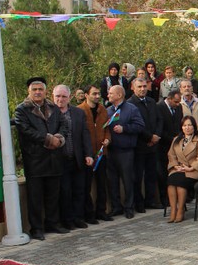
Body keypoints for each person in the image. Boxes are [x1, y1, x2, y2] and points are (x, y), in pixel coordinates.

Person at [15, 77, 69, 240]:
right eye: (34, 90)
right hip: (35, 160)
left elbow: (64, 125)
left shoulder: (53, 107)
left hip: (54, 158)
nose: (38, 92)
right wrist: (47, 139)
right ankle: (37, 228)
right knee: (35, 197)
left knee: (53, 194)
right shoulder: (22, 110)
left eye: (40, 89)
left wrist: (58, 138)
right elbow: (25, 130)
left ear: (46, 91)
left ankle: (52, 223)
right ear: (29, 92)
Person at [52, 84, 93, 230]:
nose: (60, 99)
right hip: (59, 161)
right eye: (57, 96)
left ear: (69, 98)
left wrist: (88, 154)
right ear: (53, 97)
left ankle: (78, 218)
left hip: (77, 159)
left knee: (79, 190)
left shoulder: (78, 113)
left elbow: (85, 135)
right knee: (65, 192)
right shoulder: (49, 113)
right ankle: (67, 220)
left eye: (64, 96)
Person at [105, 85, 145, 219]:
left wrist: (125, 128)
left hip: (126, 151)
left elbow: (140, 126)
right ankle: (116, 207)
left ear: (119, 95)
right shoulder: (108, 110)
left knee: (128, 180)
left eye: (111, 93)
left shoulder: (131, 109)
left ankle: (129, 207)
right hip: (111, 150)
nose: (108, 95)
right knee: (112, 181)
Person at [127, 78, 163, 212]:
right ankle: (139, 203)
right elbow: (136, 124)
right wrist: (149, 137)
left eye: (144, 86)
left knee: (151, 175)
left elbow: (159, 120)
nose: (142, 89)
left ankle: (151, 200)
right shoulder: (130, 104)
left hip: (153, 146)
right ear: (133, 88)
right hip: (140, 145)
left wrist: (156, 136)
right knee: (137, 176)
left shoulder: (152, 101)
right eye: (139, 87)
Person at [78, 85, 111, 223]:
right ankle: (88, 214)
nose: (97, 96)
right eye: (94, 94)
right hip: (87, 154)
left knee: (102, 184)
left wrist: (108, 139)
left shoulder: (102, 109)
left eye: (98, 94)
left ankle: (101, 211)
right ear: (86, 95)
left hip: (101, 153)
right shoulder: (80, 110)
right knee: (86, 185)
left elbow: (106, 127)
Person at [166, 116, 198, 223]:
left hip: (193, 170)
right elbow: (171, 155)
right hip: (179, 168)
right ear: (181, 127)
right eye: (184, 125)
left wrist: (190, 168)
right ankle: (173, 209)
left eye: (189, 125)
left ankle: (180, 210)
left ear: (194, 127)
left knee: (180, 183)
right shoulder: (176, 139)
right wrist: (175, 166)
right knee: (171, 182)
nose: (187, 128)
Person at [157, 90, 185, 208]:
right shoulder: (159, 107)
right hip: (163, 146)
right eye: (175, 102)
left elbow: (181, 124)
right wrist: (171, 139)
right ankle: (165, 198)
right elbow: (159, 127)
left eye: (179, 102)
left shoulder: (179, 108)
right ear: (169, 98)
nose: (177, 104)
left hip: (176, 146)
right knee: (163, 173)